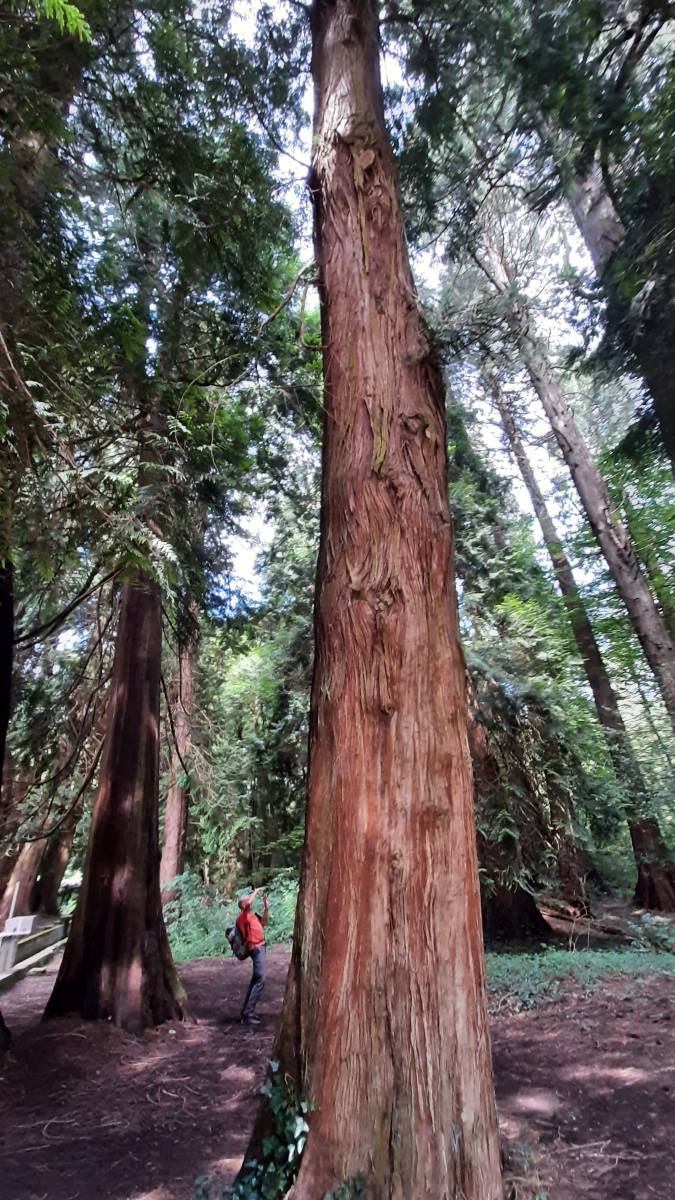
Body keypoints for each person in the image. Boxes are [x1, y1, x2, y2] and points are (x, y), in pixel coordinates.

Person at [236, 887, 269, 1026]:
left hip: (261, 947)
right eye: (246, 901)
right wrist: (256, 891)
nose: (249, 902)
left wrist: (266, 908)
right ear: (242, 905)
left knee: (256, 979)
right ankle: (248, 1014)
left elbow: (264, 923)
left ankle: (246, 1011)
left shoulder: (252, 915)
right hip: (255, 948)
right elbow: (249, 901)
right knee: (261, 978)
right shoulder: (242, 917)